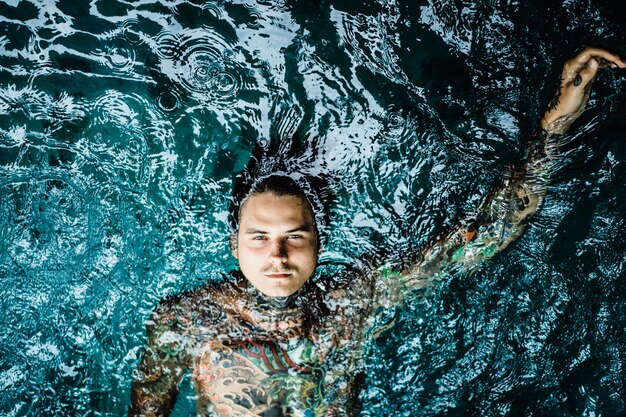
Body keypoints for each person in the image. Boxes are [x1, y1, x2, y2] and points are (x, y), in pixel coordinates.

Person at [129, 48, 625, 417]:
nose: (276, 255)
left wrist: (557, 120)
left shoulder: (355, 298)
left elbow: (491, 230)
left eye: (294, 236)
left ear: (320, 241)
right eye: (259, 237)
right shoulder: (187, 319)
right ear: (233, 242)